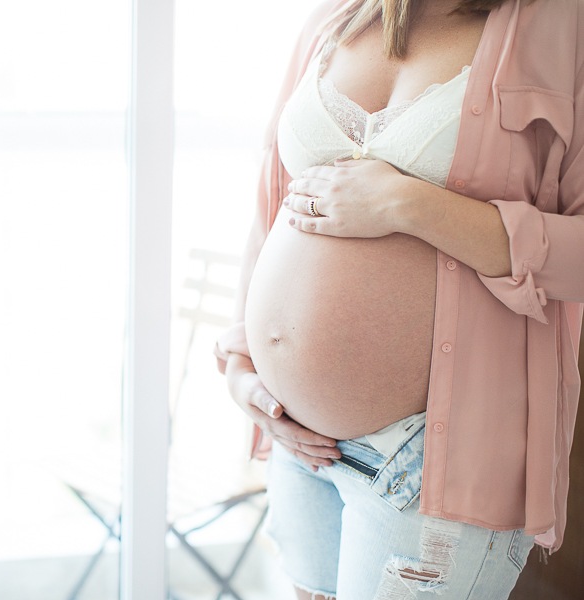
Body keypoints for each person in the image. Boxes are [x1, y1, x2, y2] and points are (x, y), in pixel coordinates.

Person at [213, 0, 584, 598]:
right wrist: (242, 361)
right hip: (300, 444)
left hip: (430, 461)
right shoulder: (337, 17)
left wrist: (411, 206)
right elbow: (275, 202)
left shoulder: (564, 29)